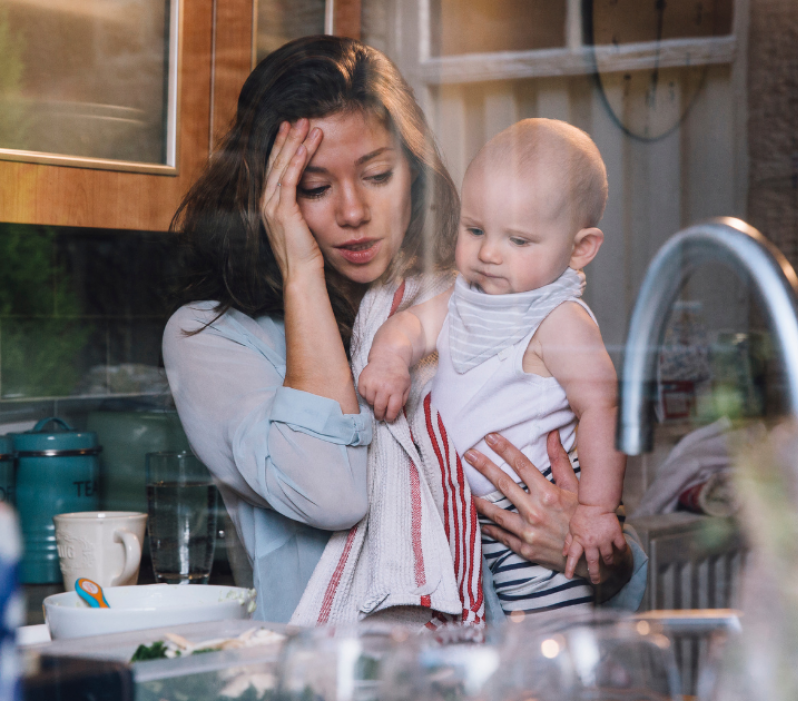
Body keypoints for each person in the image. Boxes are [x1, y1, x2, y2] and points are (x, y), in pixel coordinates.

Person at [162, 35, 645, 624]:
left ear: (413, 175)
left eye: (377, 175)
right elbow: (331, 493)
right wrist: (301, 270)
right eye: (314, 188)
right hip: (330, 666)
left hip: (499, 654)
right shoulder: (212, 338)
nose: (353, 212)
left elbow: (612, 549)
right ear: (268, 197)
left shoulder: (471, 301)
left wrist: (597, 555)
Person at [358, 119, 626, 615]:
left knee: (546, 636)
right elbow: (410, 325)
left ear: (579, 248)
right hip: (470, 522)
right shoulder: (463, 298)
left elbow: (603, 408)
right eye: (475, 230)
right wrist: (390, 360)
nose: (487, 253)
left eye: (519, 241)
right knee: (484, 637)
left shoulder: (558, 319)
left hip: (533, 515)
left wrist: (594, 509)